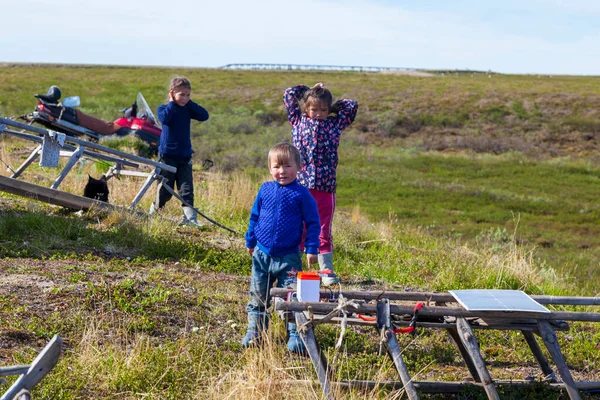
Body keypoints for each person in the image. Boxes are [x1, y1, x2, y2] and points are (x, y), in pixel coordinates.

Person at [242, 143, 320, 353]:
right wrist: (250, 241)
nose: (282, 171)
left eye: (287, 166)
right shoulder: (265, 189)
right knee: (258, 295)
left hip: (289, 257)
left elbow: (313, 222)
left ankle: (296, 335)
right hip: (262, 254)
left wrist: (312, 248)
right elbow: (254, 217)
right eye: (277, 166)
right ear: (270, 168)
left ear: (299, 167)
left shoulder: (301, 194)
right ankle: (255, 331)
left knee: (292, 297)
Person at [283, 82, 358, 286]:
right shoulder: (297, 120)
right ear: (305, 109)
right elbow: (289, 94)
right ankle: (293, 270)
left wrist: (332, 106)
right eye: (314, 109)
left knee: (324, 228)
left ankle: (326, 270)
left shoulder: (334, 124)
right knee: (298, 226)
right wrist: (308, 90)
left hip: (326, 186)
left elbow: (352, 106)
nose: (318, 113)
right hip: (300, 185)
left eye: (323, 110)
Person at [151, 77, 209, 226]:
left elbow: (204, 115)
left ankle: (190, 220)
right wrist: (171, 102)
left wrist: (189, 103)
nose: (185, 98)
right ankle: (154, 214)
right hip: (167, 156)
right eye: (182, 95)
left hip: (184, 156)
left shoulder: (187, 108)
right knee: (165, 189)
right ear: (172, 93)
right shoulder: (164, 109)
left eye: (188, 95)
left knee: (186, 189)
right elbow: (165, 119)